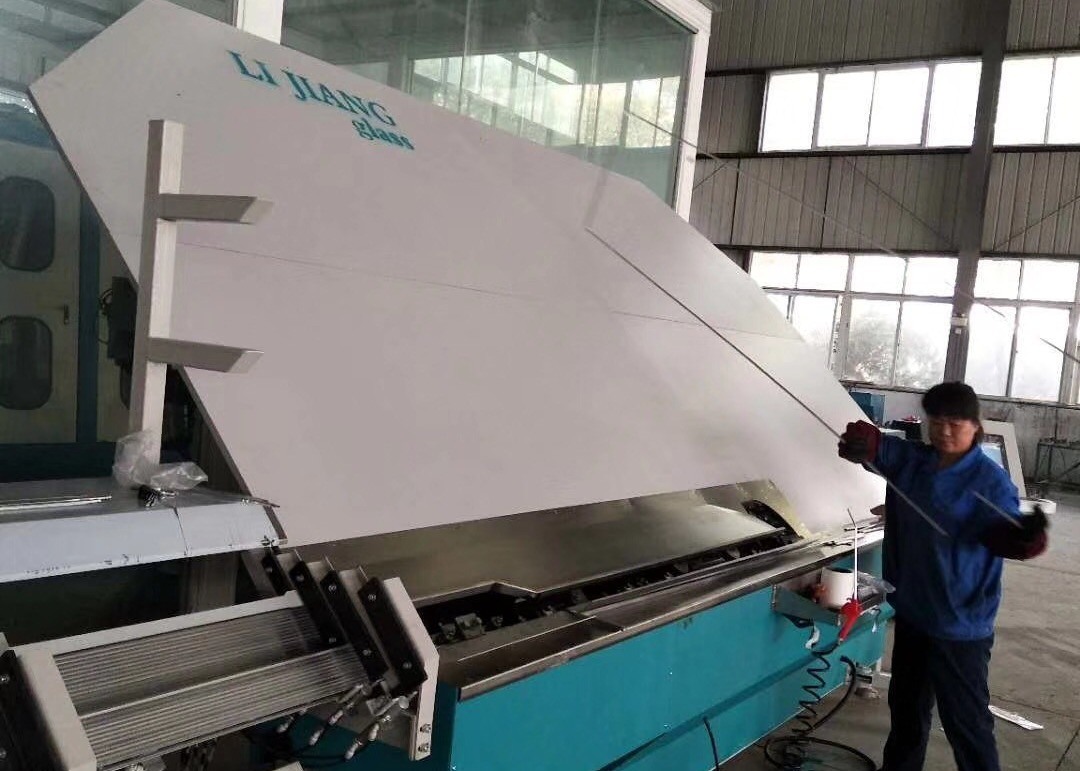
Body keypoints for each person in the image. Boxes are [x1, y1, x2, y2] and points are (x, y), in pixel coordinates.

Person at [837, 382, 1048, 771]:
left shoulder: (990, 483)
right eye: (936, 422)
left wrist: (1021, 538)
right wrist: (863, 440)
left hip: (959, 624)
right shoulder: (913, 462)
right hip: (914, 614)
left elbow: (1005, 533)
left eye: (955, 423)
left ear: (975, 425)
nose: (944, 432)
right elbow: (880, 447)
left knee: (966, 724)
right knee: (906, 715)